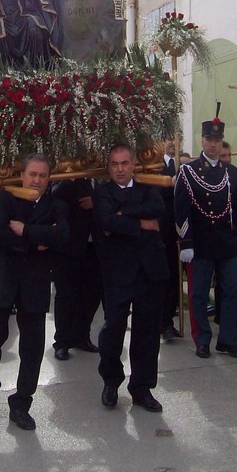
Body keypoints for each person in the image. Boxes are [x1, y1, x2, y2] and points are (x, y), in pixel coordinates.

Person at [0, 153, 68, 430]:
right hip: (1, 280)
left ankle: (21, 404)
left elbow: (62, 236)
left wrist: (25, 229)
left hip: (35, 283)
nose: (36, 180)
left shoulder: (57, 205)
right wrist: (37, 240)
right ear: (23, 175)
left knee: (32, 348)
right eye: (32, 174)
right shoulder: (4, 199)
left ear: (49, 179)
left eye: (42, 176)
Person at [174, 113, 237, 359]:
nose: (213, 144)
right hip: (200, 243)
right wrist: (185, 242)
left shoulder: (230, 171)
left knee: (233, 289)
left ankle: (228, 339)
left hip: (227, 242)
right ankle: (202, 340)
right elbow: (181, 210)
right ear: (202, 141)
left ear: (222, 142)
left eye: (217, 140)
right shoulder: (188, 171)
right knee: (198, 293)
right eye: (209, 139)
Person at [95, 144, 169, 413]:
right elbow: (105, 221)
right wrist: (140, 222)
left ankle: (142, 388)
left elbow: (157, 208)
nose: (120, 169)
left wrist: (122, 214)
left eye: (124, 163)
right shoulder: (102, 191)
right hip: (118, 272)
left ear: (134, 164)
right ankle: (111, 381)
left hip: (150, 269)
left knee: (147, 332)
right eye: (114, 164)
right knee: (112, 330)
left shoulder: (148, 186)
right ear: (109, 167)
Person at [51, 176, 102, 360]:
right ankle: (62, 342)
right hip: (69, 248)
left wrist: (96, 201)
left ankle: (82, 336)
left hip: (94, 248)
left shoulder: (103, 180)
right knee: (66, 295)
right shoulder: (70, 180)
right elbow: (54, 194)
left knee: (91, 295)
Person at [159, 139, 181, 340]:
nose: (174, 144)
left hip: (180, 229)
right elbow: (154, 191)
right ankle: (163, 322)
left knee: (175, 277)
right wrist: (171, 183)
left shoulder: (183, 165)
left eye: (177, 139)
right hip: (163, 228)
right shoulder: (157, 165)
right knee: (164, 277)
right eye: (170, 140)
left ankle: (170, 320)